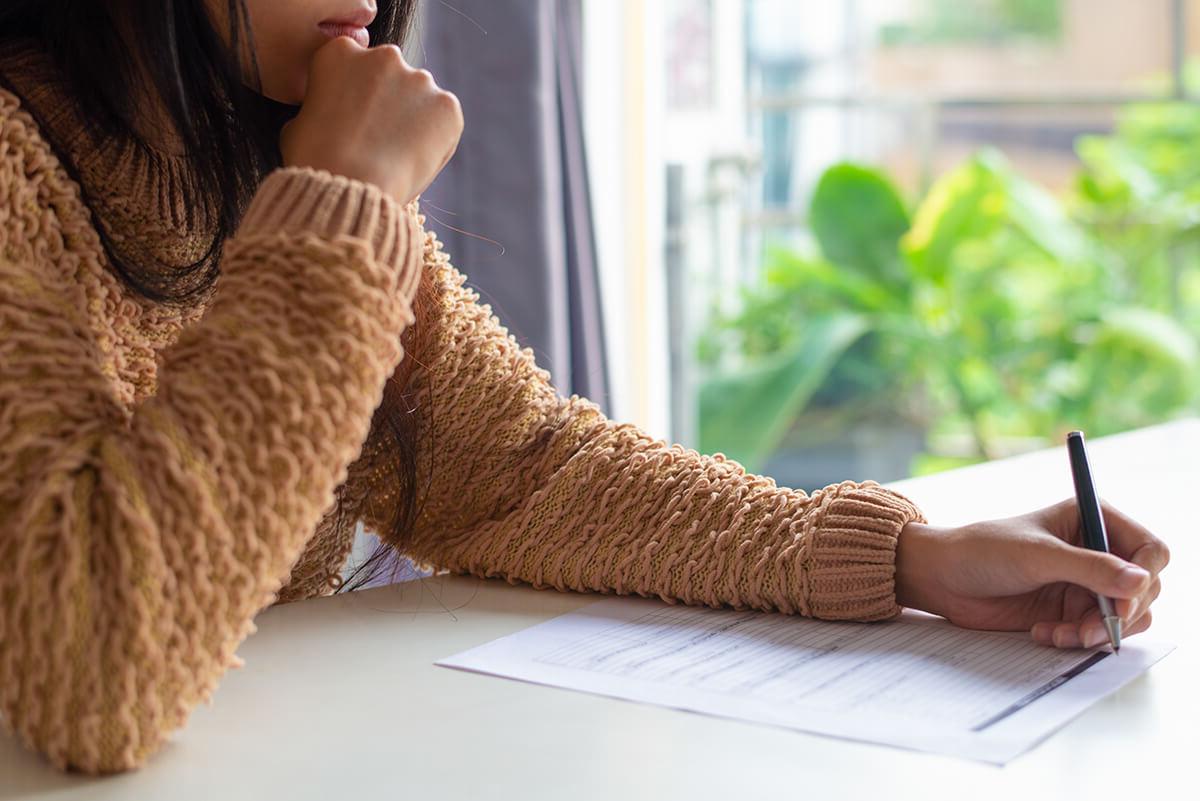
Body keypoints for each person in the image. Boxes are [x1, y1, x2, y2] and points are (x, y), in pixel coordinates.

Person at [0, 0, 1169, 776]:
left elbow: (520, 471)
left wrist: (913, 559)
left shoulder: (261, 152)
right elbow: (97, 667)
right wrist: (349, 201)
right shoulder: (25, 168)